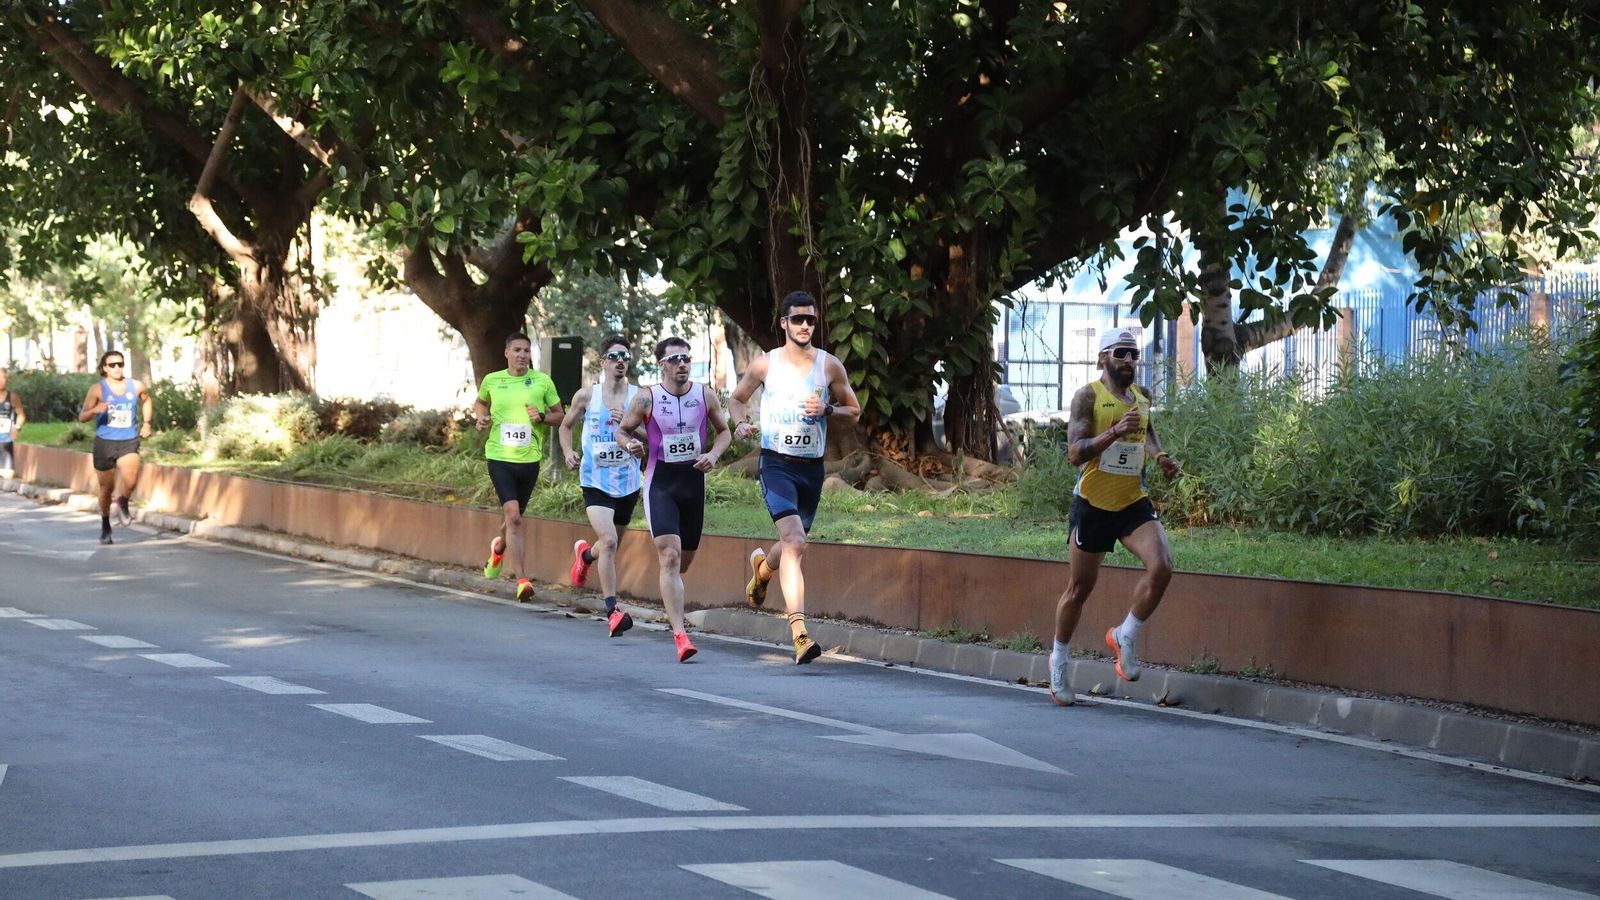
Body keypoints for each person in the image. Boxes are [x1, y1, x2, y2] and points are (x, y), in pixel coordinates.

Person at [1048, 328, 1182, 706]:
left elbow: (1148, 428)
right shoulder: (1088, 396)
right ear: (1103, 358)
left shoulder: (1142, 397)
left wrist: (1160, 457)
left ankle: (1125, 634)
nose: (1129, 361)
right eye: (1121, 353)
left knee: (1162, 567)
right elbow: (1075, 453)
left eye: (1134, 354)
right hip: (1092, 504)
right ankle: (1058, 659)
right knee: (1080, 589)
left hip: (1131, 502)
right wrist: (1113, 433)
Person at [729, 291, 861, 665]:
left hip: (811, 469)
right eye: (797, 319)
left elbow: (854, 411)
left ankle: (763, 570)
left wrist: (828, 408)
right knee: (795, 541)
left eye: (811, 320)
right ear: (783, 323)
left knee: (791, 546)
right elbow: (736, 399)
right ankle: (800, 634)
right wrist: (739, 424)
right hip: (776, 465)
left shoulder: (830, 366)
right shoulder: (765, 365)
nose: (805, 325)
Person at [617, 337, 732, 662]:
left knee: (683, 562)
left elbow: (724, 432)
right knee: (669, 555)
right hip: (661, 484)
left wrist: (714, 453)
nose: (682, 364)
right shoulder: (646, 398)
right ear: (662, 364)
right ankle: (680, 635)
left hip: (693, 484)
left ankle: (673, 600)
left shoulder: (704, 394)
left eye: (686, 358)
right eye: (675, 359)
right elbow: (622, 431)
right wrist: (630, 446)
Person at [559, 334, 642, 637]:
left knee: (609, 545)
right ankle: (613, 612)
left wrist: (635, 431)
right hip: (595, 480)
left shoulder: (639, 397)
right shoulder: (586, 396)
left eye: (625, 357)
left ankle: (585, 556)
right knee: (608, 541)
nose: (621, 361)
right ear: (603, 362)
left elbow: (652, 435)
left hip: (628, 481)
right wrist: (569, 452)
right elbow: (565, 426)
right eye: (614, 356)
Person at [474, 333, 564, 602]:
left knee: (514, 518)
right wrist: (481, 417)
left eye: (526, 350)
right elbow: (480, 402)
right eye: (517, 350)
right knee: (513, 516)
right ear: (507, 353)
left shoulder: (542, 382)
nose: (522, 355)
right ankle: (522, 580)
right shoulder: (493, 380)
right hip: (499, 456)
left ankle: (499, 548)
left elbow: (561, 415)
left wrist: (543, 417)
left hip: (529, 460)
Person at [77, 351, 153, 544]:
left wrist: (147, 423)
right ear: (104, 368)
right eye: (112, 365)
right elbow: (82, 416)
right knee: (106, 487)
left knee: (131, 480)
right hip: (105, 442)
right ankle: (105, 524)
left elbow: (147, 400)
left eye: (120, 364)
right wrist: (96, 410)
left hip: (128, 440)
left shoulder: (135, 386)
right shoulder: (98, 389)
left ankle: (123, 500)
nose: (117, 368)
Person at [0, 368, 27, 480]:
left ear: (8, 380)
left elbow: (21, 415)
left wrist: (17, 427)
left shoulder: (12, 397)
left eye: (4, 378)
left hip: (6, 441)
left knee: (8, 476)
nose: (1, 381)